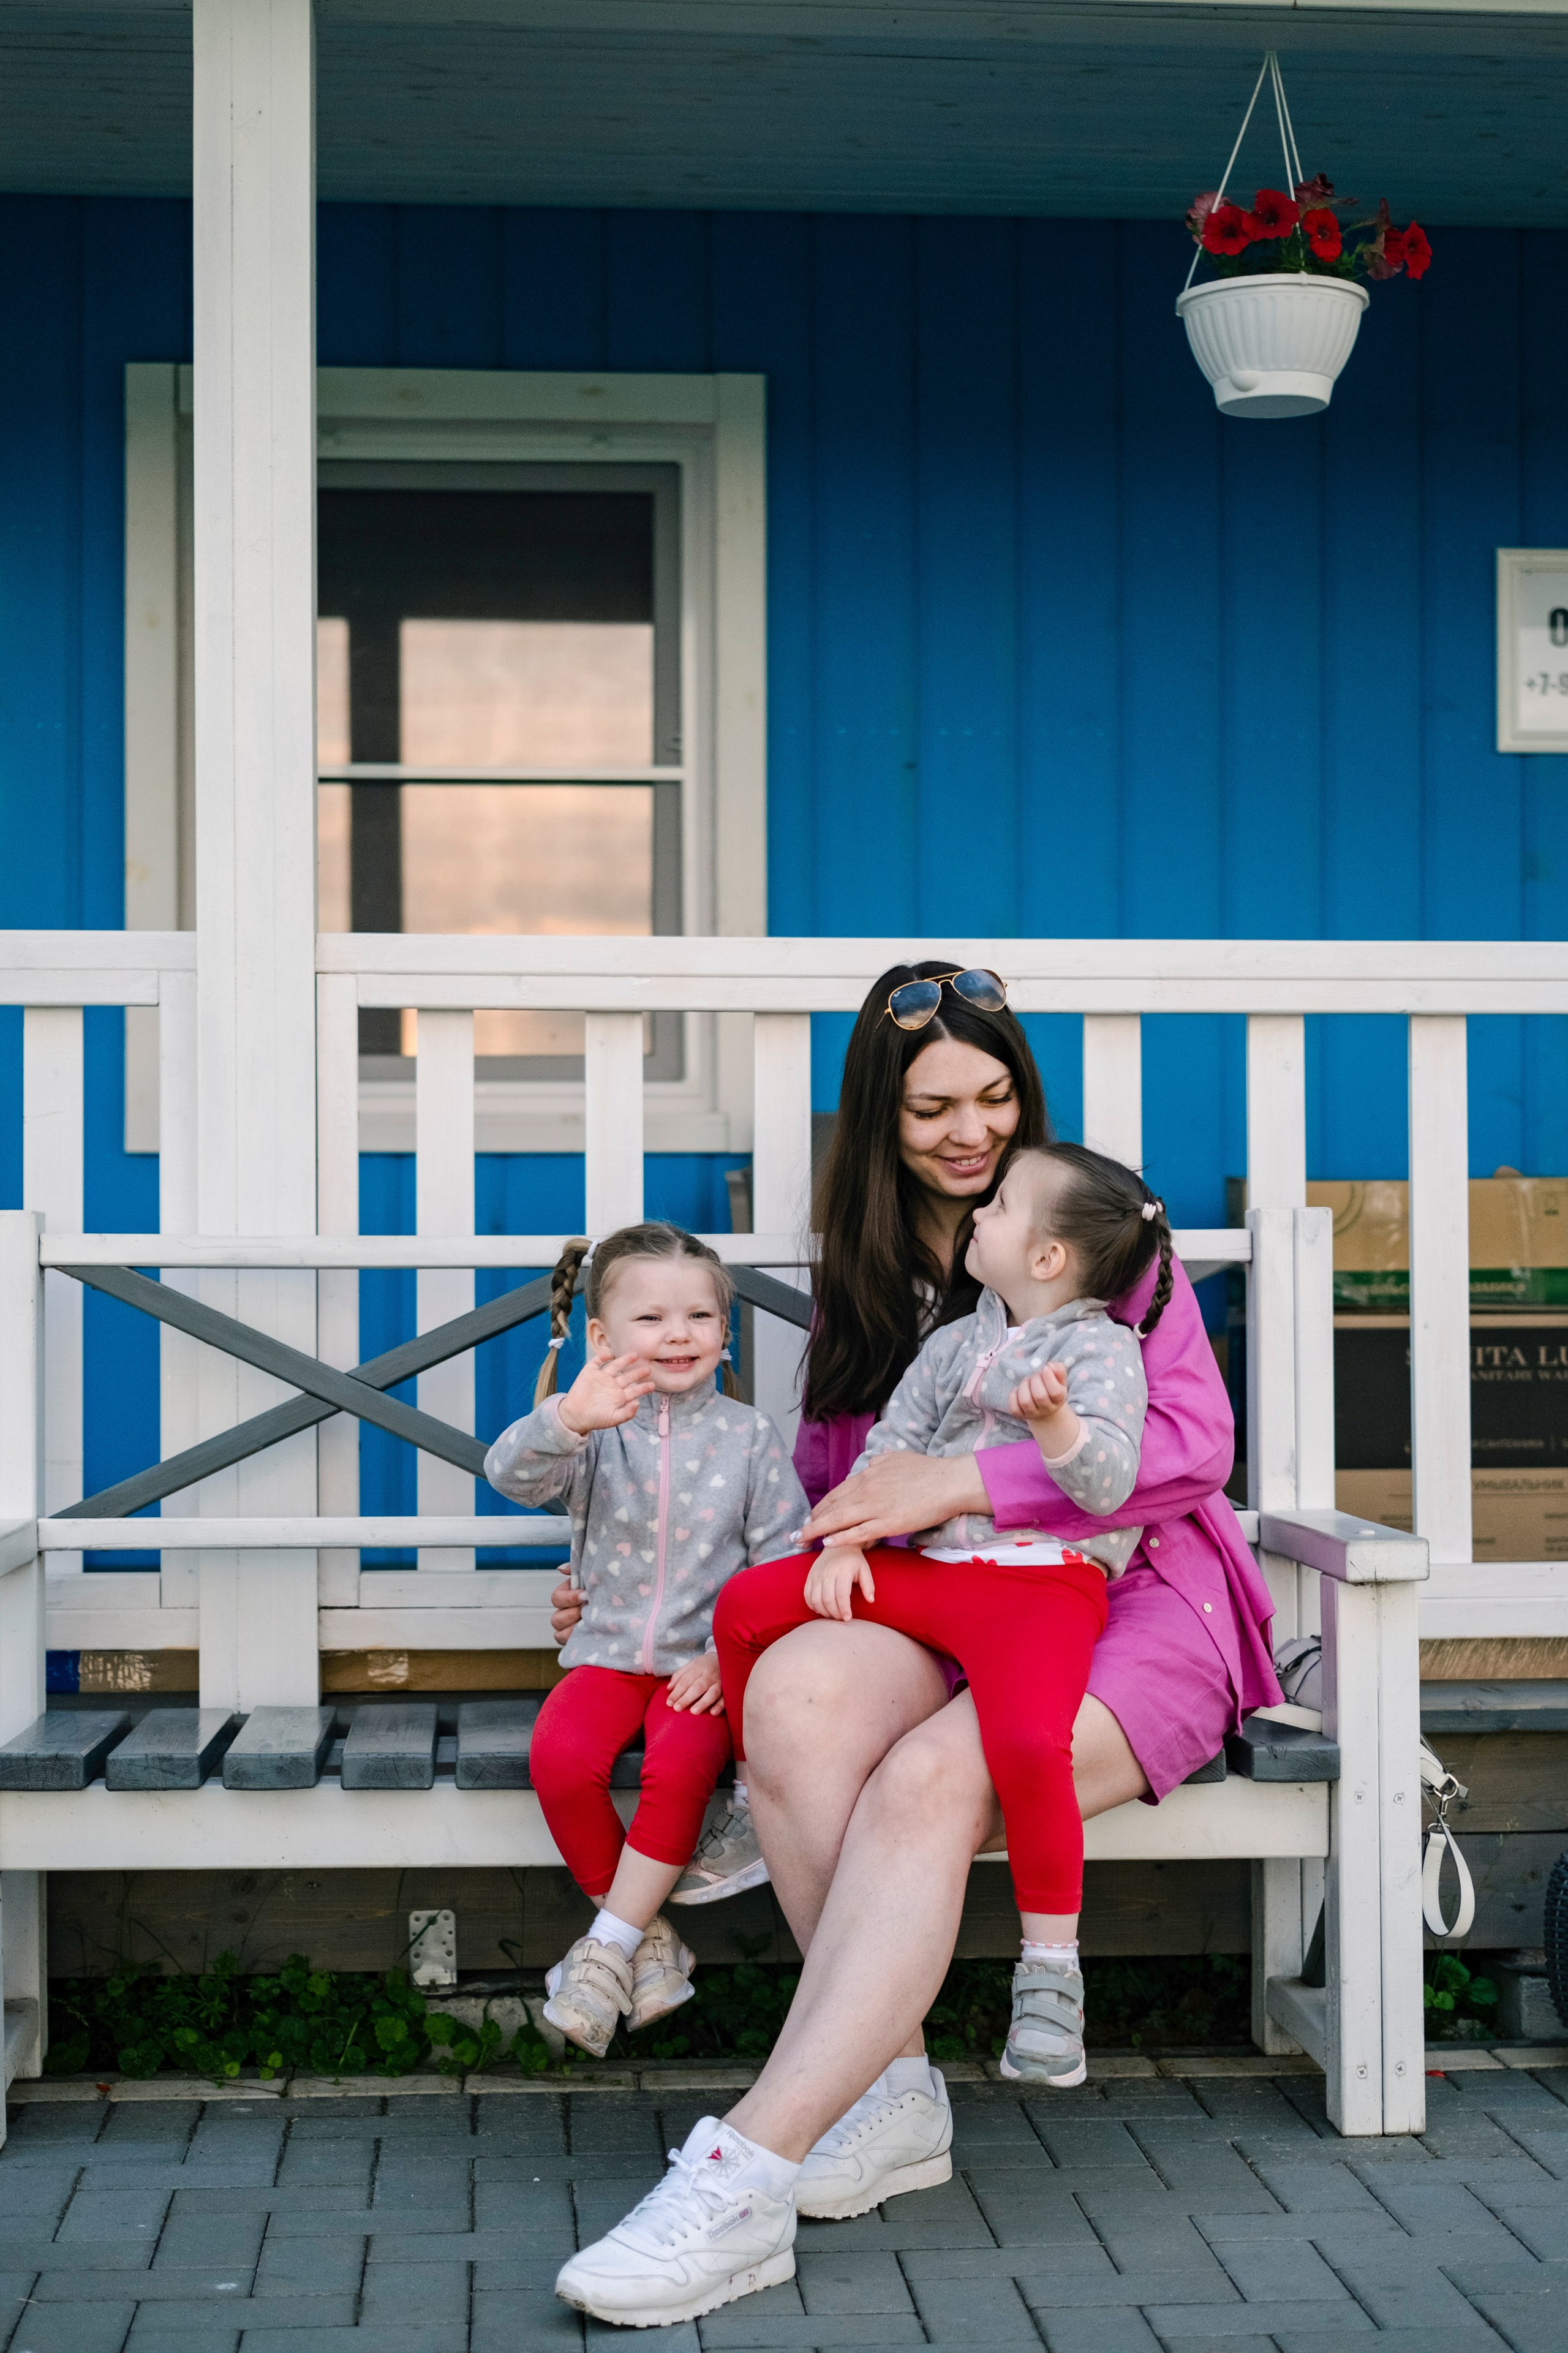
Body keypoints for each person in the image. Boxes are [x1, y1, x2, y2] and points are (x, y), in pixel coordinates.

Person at [552, 964, 1281, 2331]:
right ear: (878, 1119)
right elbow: (836, 1476)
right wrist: (634, 1582)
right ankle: (887, 2093)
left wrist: (964, 1487)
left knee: (927, 1783)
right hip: (946, 1593)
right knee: (799, 1697)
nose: (970, 1132)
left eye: (995, 1098)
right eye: (934, 1106)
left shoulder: (1108, 1244)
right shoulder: (876, 1274)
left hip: (1131, 1599)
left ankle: (746, 2167)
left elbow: (1185, 1454)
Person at [715, 1142, 1177, 2089]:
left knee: (1026, 1742)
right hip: (932, 1571)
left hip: (1042, 1585)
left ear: (1049, 1258)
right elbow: (892, 1446)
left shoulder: (1102, 1350)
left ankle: (1051, 1973)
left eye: (1003, 1206)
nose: (980, 1213)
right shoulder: (957, 1341)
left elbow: (1112, 1485)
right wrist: (847, 1535)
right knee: (748, 1604)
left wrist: (1057, 1429)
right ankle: (746, 1790)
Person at [484, 1222, 807, 2060]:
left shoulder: (747, 1437)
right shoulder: (594, 1431)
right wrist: (565, 1416)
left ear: (725, 1332)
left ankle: (606, 1953)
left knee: (679, 1767)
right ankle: (648, 1941)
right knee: (559, 1756)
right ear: (601, 1336)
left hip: (699, 1672)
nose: (677, 1335)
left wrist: (726, 1660)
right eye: (651, 1318)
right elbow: (511, 1475)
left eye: (700, 1316)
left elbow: (784, 1561)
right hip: (606, 1654)